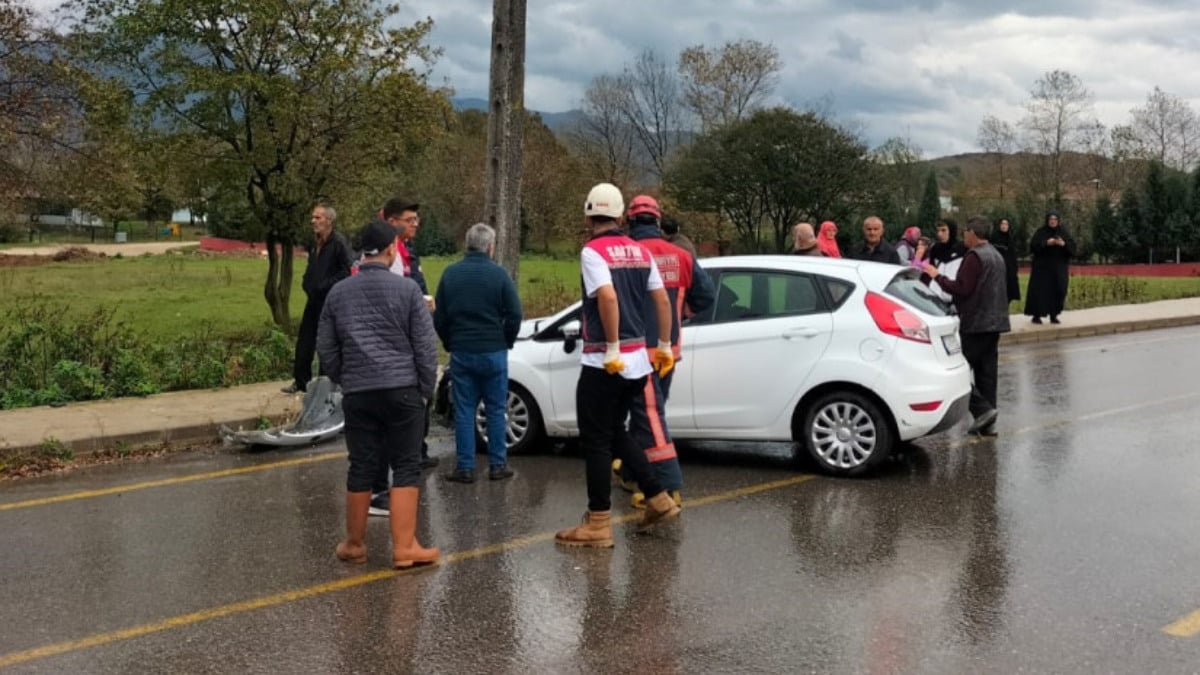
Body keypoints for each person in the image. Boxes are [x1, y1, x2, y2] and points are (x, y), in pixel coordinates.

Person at [555, 183, 682, 548]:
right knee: (615, 432)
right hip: (639, 361)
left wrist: (611, 347)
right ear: (621, 216)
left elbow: (607, 297)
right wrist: (663, 345)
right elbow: (661, 300)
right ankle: (657, 497)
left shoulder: (593, 251)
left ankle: (598, 522)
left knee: (595, 441)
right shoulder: (640, 251)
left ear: (588, 216)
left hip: (604, 362)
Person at [317, 219, 440, 570]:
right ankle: (405, 547)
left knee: (361, 464)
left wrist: (345, 377)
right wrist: (425, 389)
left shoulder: (338, 293)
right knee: (406, 465)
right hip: (403, 390)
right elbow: (425, 346)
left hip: (359, 392)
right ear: (390, 250)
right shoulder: (408, 291)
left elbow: (326, 346)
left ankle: (355, 544)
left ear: (361, 252)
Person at [620, 195, 716, 508]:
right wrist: (681, 314)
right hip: (668, 351)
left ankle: (666, 486)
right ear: (658, 221)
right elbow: (707, 295)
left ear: (630, 221)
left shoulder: (627, 254)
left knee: (650, 417)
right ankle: (631, 472)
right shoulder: (681, 256)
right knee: (646, 415)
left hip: (638, 353)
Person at [434, 223, 523, 483]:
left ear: (467, 244)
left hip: (462, 350)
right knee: (496, 409)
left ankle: (465, 467)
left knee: (464, 410)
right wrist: (506, 340)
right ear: (490, 247)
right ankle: (497, 465)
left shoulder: (450, 274)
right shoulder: (499, 275)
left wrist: (450, 342)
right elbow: (515, 314)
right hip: (493, 351)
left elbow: (439, 317)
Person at [367, 197, 438, 519]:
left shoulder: (406, 251)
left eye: (416, 220)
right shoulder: (388, 255)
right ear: (392, 222)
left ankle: (383, 488)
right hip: (393, 353)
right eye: (409, 220)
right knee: (386, 430)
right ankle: (380, 492)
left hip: (398, 351)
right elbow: (391, 302)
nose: (415, 224)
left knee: (392, 429)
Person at [923, 216, 1011, 436]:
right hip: (995, 323)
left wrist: (937, 276)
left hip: (975, 323)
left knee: (956, 370)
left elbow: (962, 288)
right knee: (986, 374)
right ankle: (988, 422)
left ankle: (982, 410)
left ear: (972, 232)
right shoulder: (996, 254)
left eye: (965, 232)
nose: (963, 236)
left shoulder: (974, 256)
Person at [284, 204, 354, 394]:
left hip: (329, 301)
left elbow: (347, 270)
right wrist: (306, 282)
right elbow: (312, 266)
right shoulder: (316, 243)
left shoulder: (338, 243)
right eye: (313, 217)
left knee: (326, 342)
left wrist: (325, 285)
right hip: (313, 299)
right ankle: (301, 381)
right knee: (305, 340)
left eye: (318, 217)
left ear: (329, 221)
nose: (313, 221)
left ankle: (325, 385)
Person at [1024, 211, 1074, 324]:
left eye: (1055, 219)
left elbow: (1073, 249)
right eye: (1051, 219)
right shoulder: (1041, 232)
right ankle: (1036, 315)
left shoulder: (1063, 233)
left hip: (1058, 269)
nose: (1053, 221)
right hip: (1042, 269)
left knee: (1058, 290)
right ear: (1047, 220)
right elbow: (1033, 247)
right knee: (1040, 291)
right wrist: (1046, 243)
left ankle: (1054, 314)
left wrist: (1063, 244)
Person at [991, 218, 1021, 304]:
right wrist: (1001, 248)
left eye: (1006, 224)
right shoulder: (994, 236)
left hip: (1009, 268)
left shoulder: (1010, 237)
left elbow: (1013, 253)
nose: (1004, 226)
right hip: (997, 267)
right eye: (1002, 224)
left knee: (1009, 290)